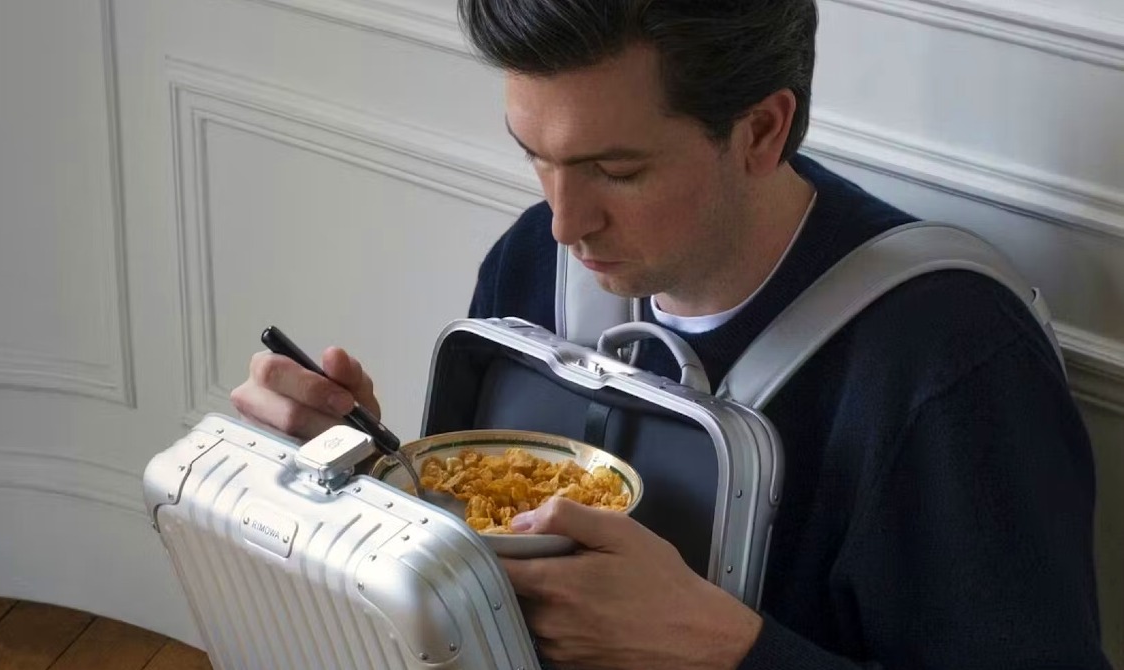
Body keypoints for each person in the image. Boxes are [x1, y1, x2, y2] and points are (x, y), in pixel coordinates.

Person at [230, 1, 1112, 668]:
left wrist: (729, 649)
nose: (564, 222)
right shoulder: (529, 265)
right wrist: (363, 479)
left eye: (616, 170)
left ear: (761, 130)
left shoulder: (948, 363)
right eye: (534, 154)